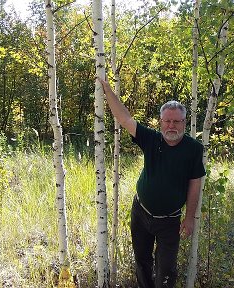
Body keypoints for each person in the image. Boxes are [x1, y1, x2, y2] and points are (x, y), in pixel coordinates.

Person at [98, 77, 206, 288]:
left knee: (166, 270)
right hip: (141, 212)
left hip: (169, 221)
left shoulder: (193, 149)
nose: (171, 125)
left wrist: (190, 218)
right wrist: (108, 91)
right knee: (142, 262)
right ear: (161, 122)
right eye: (167, 121)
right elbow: (124, 118)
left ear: (184, 122)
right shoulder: (151, 138)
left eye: (176, 121)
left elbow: (195, 183)